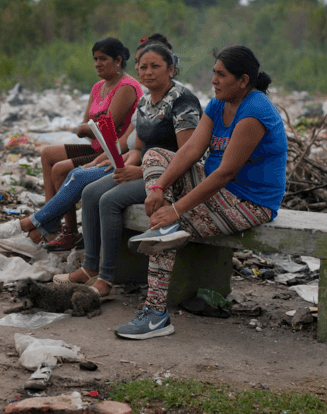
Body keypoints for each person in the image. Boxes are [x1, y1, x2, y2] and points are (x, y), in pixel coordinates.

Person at [114, 45, 287, 339]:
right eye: (214, 73)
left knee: (166, 225)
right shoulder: (219, 105)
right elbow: (192, 149)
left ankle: (155, 315)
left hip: (249, 202)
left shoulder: (254, 111)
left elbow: (225, 172)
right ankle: (156, 309)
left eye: (221, 75)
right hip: (217, 192)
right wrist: (158, 188)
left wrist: (175, 209)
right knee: (155, 155)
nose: (214, 80)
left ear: (243, 80)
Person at [55, 37, 202, 297]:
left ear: (170, 69)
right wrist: (124, 166)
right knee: (90, 192)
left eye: (155, 66)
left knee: (109, 200)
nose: (147, 72)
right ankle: (90, 267)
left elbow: (187, 154)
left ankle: (107, 278)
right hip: (146, 170)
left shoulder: (182, 100)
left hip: (173, 177)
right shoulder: (145, 102)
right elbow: (137, 148)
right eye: (143, 67)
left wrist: (143, 173)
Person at [0, 38, 142, 250]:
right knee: (48, 154)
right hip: (97, 146)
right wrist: (88, 127)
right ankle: (51, 225)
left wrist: (88, 127)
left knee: (61, 170)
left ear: (118, 61)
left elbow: (106, 127)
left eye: (103, 59)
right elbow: (86, 123)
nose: (97, 63)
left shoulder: (127, 87)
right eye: (95, 59)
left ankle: (65, 231)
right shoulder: (98, 87)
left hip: (113, 150)